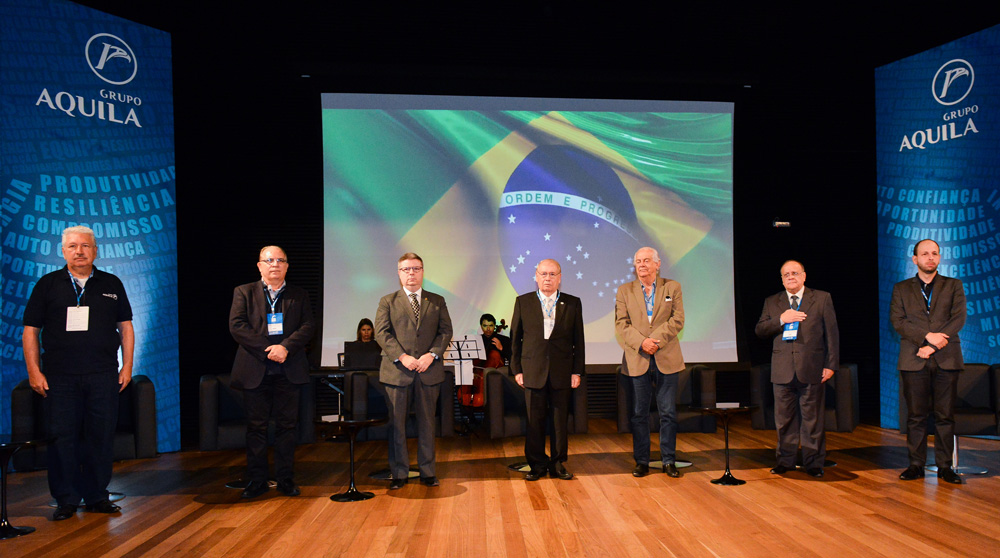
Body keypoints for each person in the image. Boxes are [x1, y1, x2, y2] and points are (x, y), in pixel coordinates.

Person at [22, 225, 134, 521]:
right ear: (63, 251)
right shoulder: (47, 284)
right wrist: (34, 371)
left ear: (95, 250)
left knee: (100, 436)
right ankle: (67, 499)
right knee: (62, 437)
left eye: (85, 246)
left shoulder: (112, 283)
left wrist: (128, 366)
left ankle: (97, 495)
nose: (79, 251)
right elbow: (31, 331)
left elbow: (126, 327)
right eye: (72, 246)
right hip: (60, 377)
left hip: (103, 374)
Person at [229, 245, 315, 499]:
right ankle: (257, 480)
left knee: (287, 427)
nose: (274, 264)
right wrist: (269, 349)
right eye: (269, 260)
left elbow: (308, 325)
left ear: (287, 266)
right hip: (256, 367)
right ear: (259, 266)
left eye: (280, 260)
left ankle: (286, 479)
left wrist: (285, 347)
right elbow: (237, 326)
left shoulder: (299, 294)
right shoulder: (243, 292)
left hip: (289, 367)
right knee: (256, 428)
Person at [374, 252, 453, 489]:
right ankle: (399, 473)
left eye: (416, 269)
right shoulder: (387, 301)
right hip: (398, 372)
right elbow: (381, 333)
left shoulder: (436, 300)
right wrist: (402, 356)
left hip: (428, 371)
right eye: (406, 269)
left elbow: (445, 331)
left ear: (422, 272)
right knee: (397, 425)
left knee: (427, 424)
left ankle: (428, 471)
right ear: (399, 273)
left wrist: (431, 355)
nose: (411, 273)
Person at [891, 239, 966, 485]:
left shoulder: (954, 285)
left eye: (934, 253)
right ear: (915, 259)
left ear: (939, 258)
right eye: (925, 254)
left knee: (945, 416)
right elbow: (898, 321)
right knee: (916, 416)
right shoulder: (901, 288)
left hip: (946, 358)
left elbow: (958, 318)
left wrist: (932, 346)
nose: (930, 257)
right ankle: (916, 465)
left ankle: (946, 466)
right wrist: (925, 337)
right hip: (913, 358)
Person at [755, 260, 839, 478]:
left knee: (813, 420)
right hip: (782, 370)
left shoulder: (821, 298)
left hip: (811, 368)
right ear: (781, 279)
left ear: (804, 276)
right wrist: (781, 319)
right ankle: (785, 461)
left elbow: (832, 334)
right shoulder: (772, 301)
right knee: (784, 420)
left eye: (794, 273)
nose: (790, 277)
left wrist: (831, 365)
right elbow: (760, 330)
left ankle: (813, 463)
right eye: (786, 274)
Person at [509, 259, 585, 481]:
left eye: (553, 274)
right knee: (534, 422)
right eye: (543, 274)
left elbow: (578, 340)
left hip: (562, 372)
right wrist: (516, 370)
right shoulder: (523, 302)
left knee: (560, 422)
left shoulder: (572, 303)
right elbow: (516, 339)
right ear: (536, 276)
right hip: (532, 371)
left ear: (560, 277)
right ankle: (537, 464)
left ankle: (558, 463)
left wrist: (577, 371)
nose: (548, 278)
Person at [614, 247, 685, 478]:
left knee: (668, 414)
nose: (642, 265)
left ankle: (668, 460)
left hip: (667, 358)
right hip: (638, 358)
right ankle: (642, 461)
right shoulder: (625, 291)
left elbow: (678, 319)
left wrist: (657, 341)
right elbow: (621, 324)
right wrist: (643, 342)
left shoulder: (672, 287)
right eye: (638, 261)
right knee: (639, 414)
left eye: (646, 261)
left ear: (658, 264)